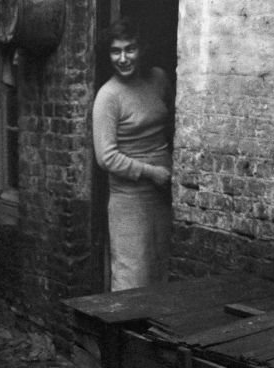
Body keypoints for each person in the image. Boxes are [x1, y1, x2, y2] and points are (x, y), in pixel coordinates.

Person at [92, 18, 173, 290]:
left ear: (142, 49)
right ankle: (124, 332)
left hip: (163, 193)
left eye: (130, 49)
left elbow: (173, 124)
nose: (123, 58)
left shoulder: (159, 79)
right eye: (116, 51)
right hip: (129, 199)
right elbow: (106, 157)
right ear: (108, 55)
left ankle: (155, 334)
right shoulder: (108, 96)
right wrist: (152, 172)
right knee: (132, 276)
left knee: (161, 268)